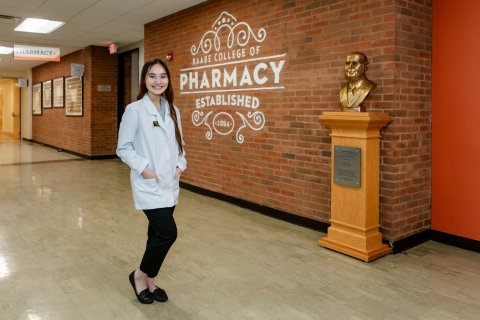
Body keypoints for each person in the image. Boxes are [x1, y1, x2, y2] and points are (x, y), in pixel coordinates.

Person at [117, 59, 187, 304]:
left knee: (156, 235)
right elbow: (123, 148)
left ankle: (150, 281)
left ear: (168, 80)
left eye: (163, 76)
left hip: (169, 185)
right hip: (150, 184)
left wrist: (180, 164)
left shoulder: (173, 110)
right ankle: (138, 275)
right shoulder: (134, 110)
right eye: (152, 76)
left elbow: (180, 145)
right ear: (144, 80)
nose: (158, 81)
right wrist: (144, 169)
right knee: (168, 233)